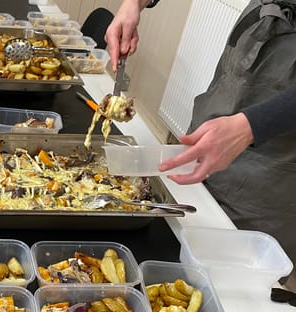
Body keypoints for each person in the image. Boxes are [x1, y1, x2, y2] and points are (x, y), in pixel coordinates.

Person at [105, 0, 296, 289]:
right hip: (261, 30)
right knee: (185, 214)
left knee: (232, 272)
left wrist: (251, 125)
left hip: (279, 150)